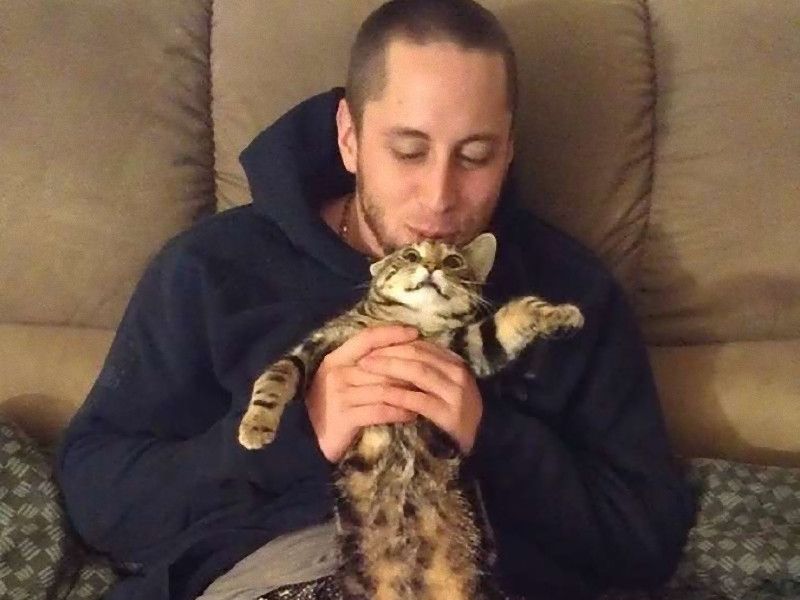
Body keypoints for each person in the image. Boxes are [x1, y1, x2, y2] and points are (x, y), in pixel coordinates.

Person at [56, 1, 696, 599]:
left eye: (475, 156)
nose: (439, 197)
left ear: (509, 150)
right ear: (349, 137)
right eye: (408, 151)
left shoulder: (565, 292)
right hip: (280, 569)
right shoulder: (212, 270)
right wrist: (297, 436)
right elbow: (99, 494)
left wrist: (491, 436)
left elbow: (645, 537)